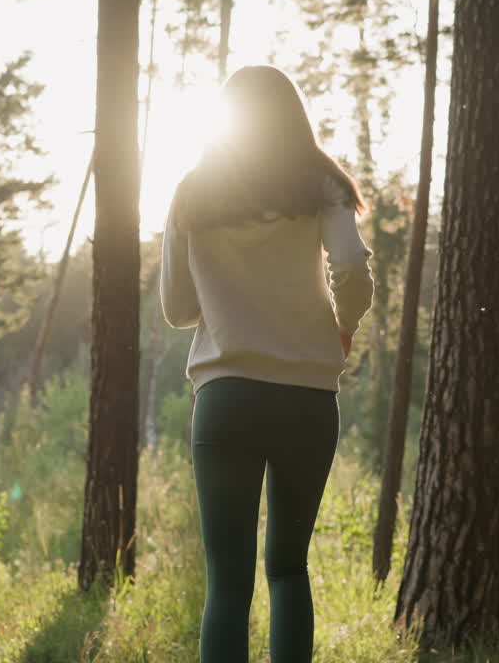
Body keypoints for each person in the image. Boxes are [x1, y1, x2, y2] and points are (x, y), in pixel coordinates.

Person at [160, 65, 374, 663]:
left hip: (227, 399)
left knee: (227, 583)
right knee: (288, 570)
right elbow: (353, 270)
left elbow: (178, 308)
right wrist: (344, 325)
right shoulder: (320, 185)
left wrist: (229, 296)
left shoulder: (193, 191)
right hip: (306, 398)